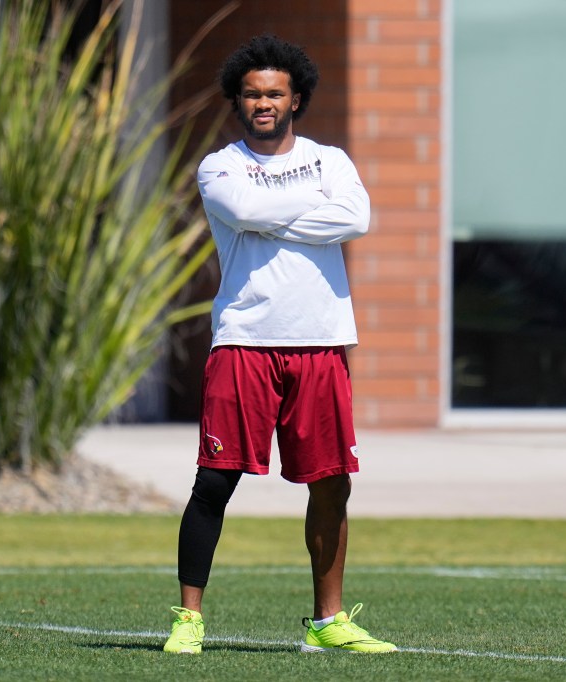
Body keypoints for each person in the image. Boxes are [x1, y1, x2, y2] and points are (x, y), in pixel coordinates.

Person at [162, 34, 397, 655]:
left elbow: (356, 219)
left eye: (275, 94)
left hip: (322, 342)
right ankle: (188, 621)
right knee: (214, 482)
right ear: (238, 101)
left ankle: (329, 620)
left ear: (297, 100)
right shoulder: (220, 166)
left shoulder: (333, 161)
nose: (263, 103)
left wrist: (272, 213)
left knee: (332, 483)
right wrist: (302, 210)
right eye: (251, 94)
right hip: (243, 339)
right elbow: (240, 208)